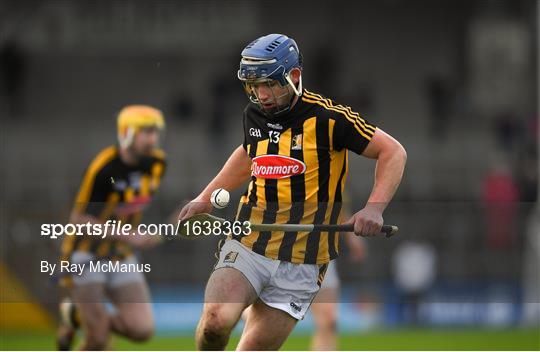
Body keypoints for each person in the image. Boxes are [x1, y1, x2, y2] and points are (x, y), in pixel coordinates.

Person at [178, 33, 406, 350]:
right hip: (249, 243)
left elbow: (393, 152)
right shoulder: (253, 114)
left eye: (268, 84)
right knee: (215, 323)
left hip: (303, 261)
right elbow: (249, 155)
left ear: (294, 76)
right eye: (254, 86)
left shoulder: (331, 119)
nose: (261, 95)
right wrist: (204, 198)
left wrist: (374, 208)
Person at [56, 105, 167, 350]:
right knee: (98, 340)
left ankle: (76, 315)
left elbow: (132, 206)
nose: (152, 139)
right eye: (145, 132)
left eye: (155, 131)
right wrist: (128, 235)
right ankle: (83, 318)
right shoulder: (104, 168)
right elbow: (78, 219)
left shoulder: (158, 163)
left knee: (142, 330)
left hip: (121, 255)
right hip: (86, 253)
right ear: (126, 133)